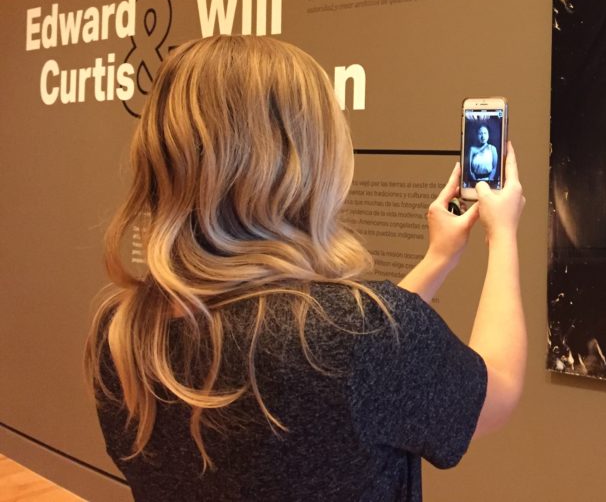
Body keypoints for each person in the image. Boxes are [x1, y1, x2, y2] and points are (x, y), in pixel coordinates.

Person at [84, 35, 526, 501]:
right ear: (302, 158)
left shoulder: (122, 333)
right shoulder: (357, 333)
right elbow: (495, 392)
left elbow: (355, 356)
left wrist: (438, 259)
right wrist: (503, 236)